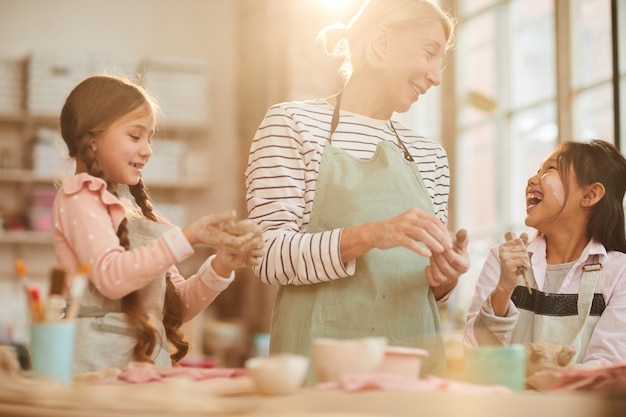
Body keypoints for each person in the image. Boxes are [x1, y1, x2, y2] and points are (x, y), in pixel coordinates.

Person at [245, 0, 469, 382]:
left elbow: (431, 290)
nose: (436, 77)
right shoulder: (293, 124)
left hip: (411, 371)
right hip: (319, 371)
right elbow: (267, 256)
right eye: (429, 53)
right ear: (381, 42)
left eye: (441, 61)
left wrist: (446, 275)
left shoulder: (430, 156)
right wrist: (370, 234)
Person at [52, 74, 264, 374]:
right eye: (135, 136)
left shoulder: (143, 216)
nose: (148, 150)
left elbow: (179, 308)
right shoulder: (78, 196)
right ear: (93, 138)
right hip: (97, 372)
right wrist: (188, 237)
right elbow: (112, 278)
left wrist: (223, 264)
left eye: (150, 138)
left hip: (148, 367)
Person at [464, 140, 626, 366]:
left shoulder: (619, 273)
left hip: (574, 402)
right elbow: (474, 352)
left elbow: (606, 365)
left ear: (590, 195)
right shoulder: (502, 259)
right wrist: (503, 289)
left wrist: (543, 379)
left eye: (550, 169)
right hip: (505, 402)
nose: (531, 179)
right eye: (538, 170)